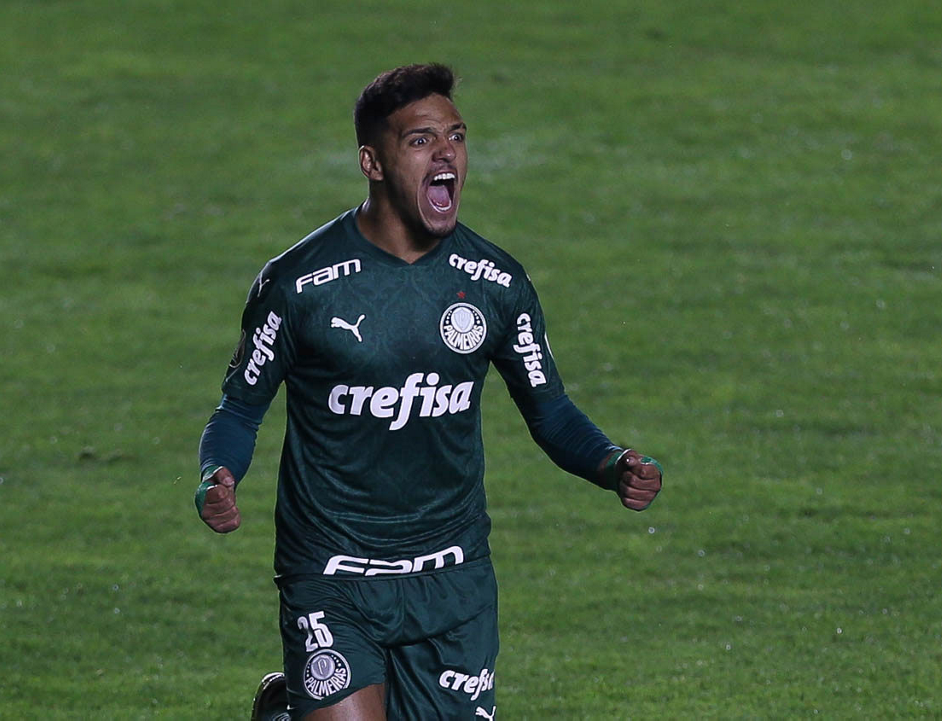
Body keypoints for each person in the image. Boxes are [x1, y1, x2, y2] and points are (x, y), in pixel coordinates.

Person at [197, 63, 662, 720]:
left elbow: (550, 409)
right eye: (421, 140)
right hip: (332, 572)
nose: (446, 154)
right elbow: (240, 408)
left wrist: (611, 464)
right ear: (372, 161)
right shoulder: (300, 285)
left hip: (453, 578)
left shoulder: (496, 284)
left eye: (456, 137)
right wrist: (218, 473)